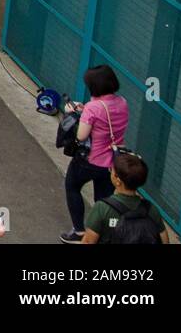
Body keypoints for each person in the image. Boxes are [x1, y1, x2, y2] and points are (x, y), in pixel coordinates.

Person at [60, 64, 128, 243]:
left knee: (72, 186)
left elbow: (81, 135)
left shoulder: (93, 107)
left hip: (90, 159)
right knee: (104, 200)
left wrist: (72, 114)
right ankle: (101, 234)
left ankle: (79, 231)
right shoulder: (122, 102)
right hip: (113, 161)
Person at [81, 151, 169, 244]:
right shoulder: (151, 210)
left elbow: (88, 242)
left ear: (118, 180)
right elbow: (165, 241)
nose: (110, 170)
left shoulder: (102, 208)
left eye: (111, 170)